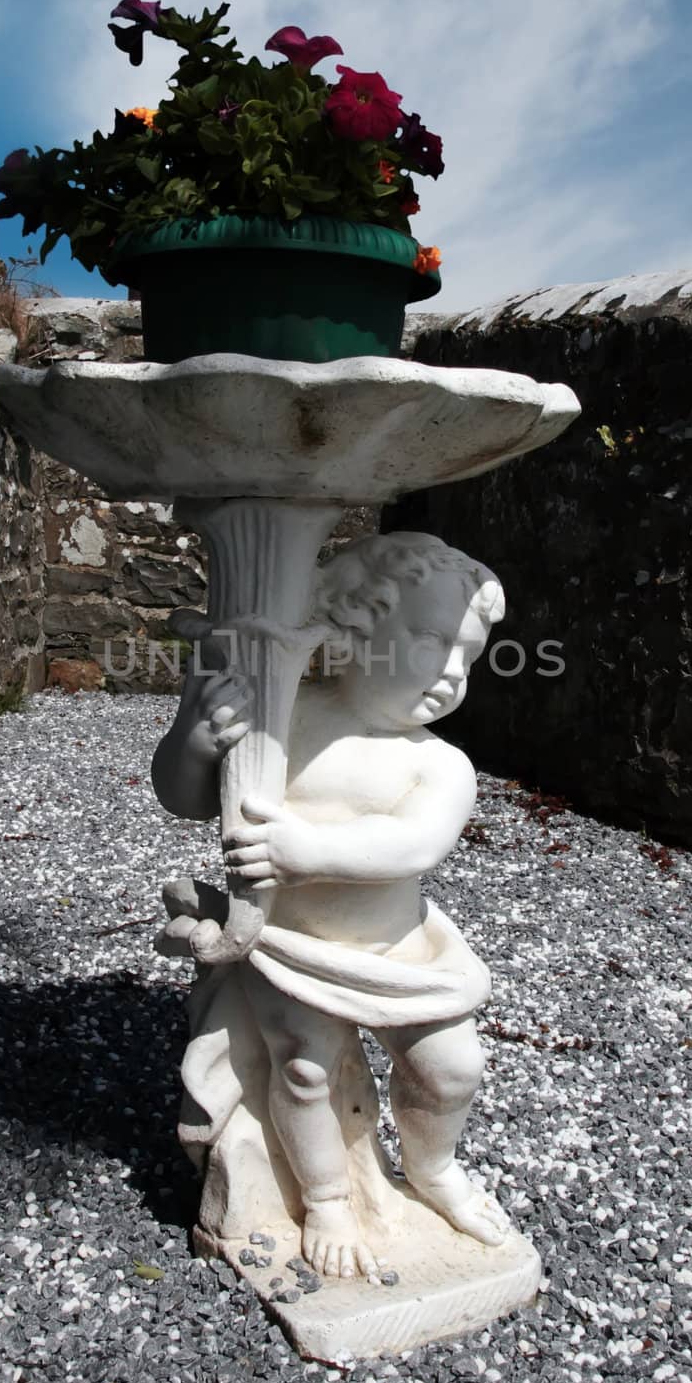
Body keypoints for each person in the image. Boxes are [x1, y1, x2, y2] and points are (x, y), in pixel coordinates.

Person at [153, 532, 509, 1279]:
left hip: (399, 950)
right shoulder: (285, 719)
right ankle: (325, 1201)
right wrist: (197, 738)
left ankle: (434, 1169)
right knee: (303, 1070)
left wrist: (305, 851)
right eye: (430, 642)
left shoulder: (437, 762)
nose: (450, 675)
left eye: (467, 658)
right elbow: (187, 800)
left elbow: (412, 845)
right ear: (355, 626)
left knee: (452, 1068)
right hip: (290, 945)